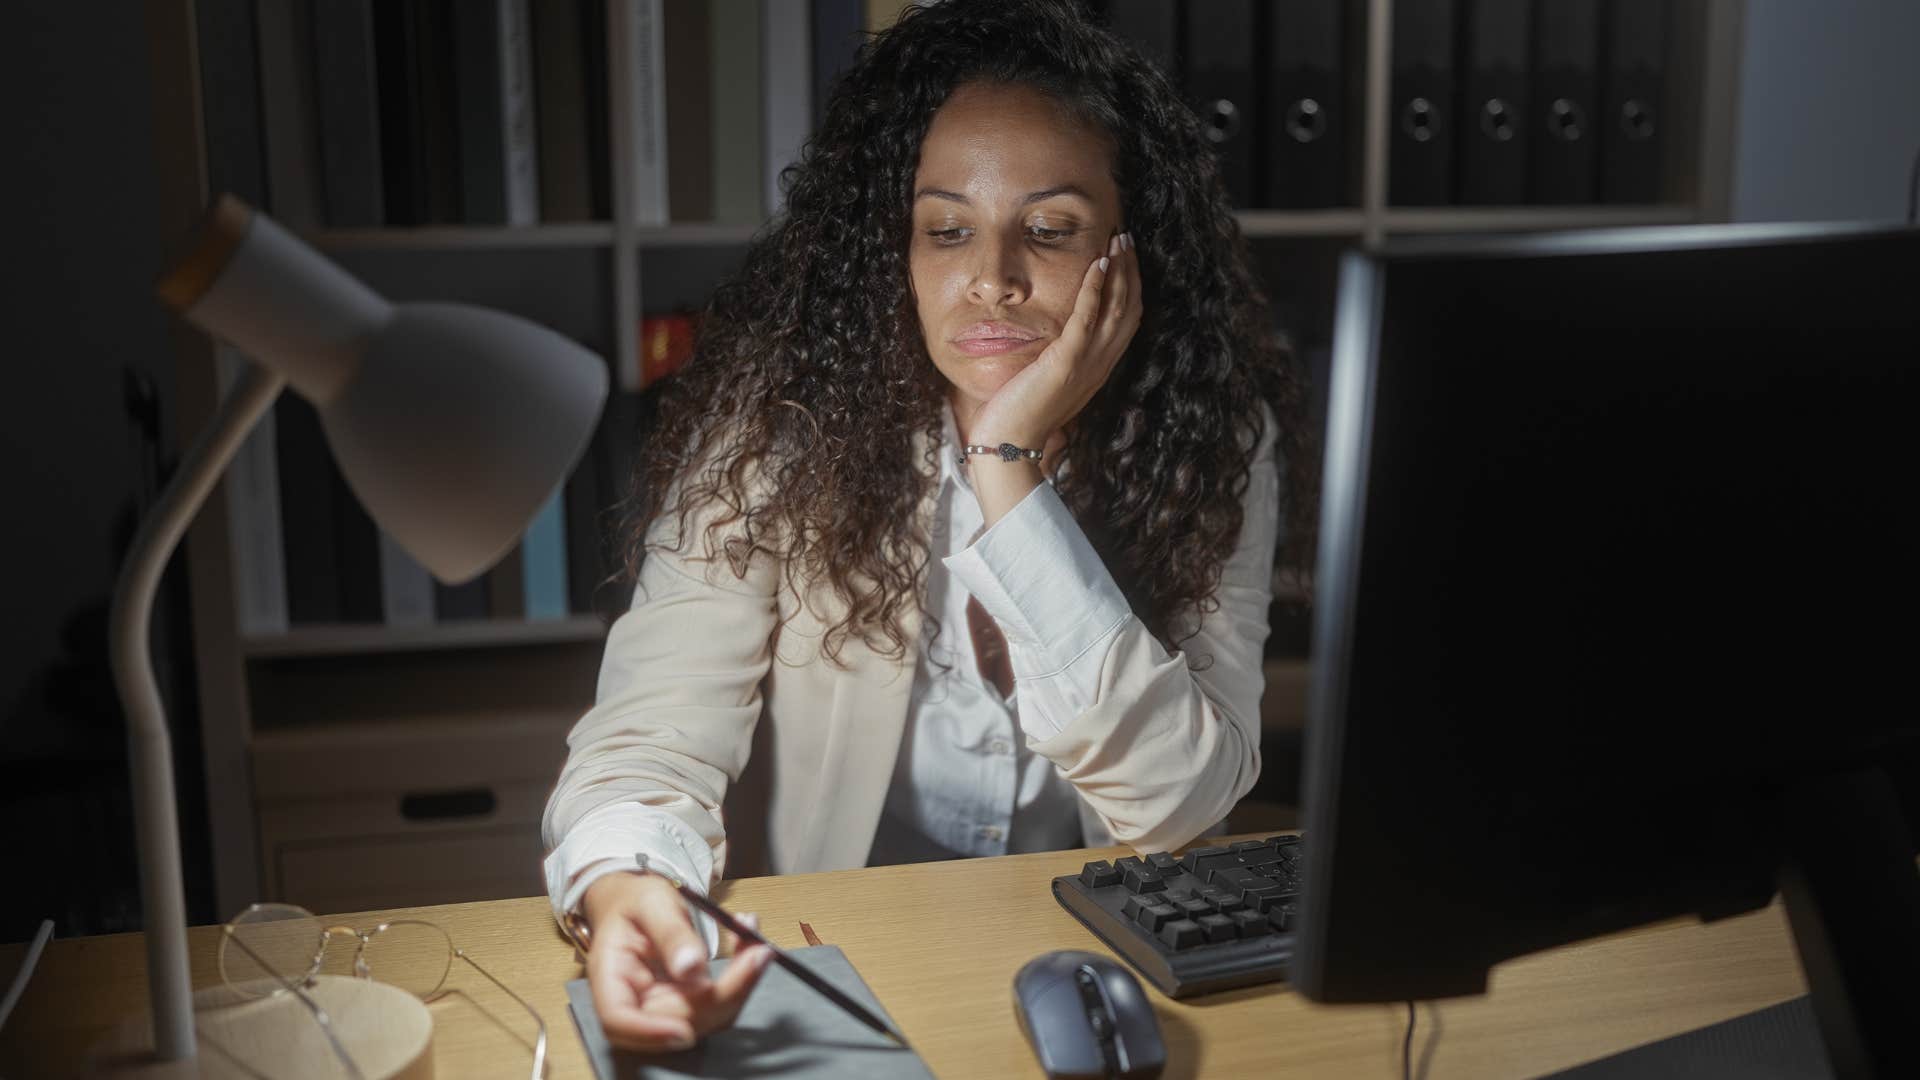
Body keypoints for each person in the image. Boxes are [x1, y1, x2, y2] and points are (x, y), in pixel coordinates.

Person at [541, 0, 1315, 1052]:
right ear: (890, 249)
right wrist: (626, 886)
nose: (990, 276)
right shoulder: (780, 419)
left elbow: (1179, 807)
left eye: (1048, 229)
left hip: (1113, 956)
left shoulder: (1217, 440)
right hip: (859, 953)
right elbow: (650, 734)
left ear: (1130, 259)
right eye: (946, 228)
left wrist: (1007, 469)